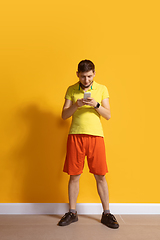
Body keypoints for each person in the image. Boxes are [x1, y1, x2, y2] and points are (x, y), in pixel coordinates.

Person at [58, 60, 119, 229]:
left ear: (94, 74)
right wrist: (76, 106)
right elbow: (64, 115)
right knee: (74, 175)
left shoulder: (102, 88)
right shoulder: (71, 89)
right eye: (83, 76)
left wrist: (96, 104)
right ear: (77, 74)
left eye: (90, 76)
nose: (86, 80)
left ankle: (106, 213)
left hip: (95, 137)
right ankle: (72, 212)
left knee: (100, 175)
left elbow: (108, 115)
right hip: (75, 136)